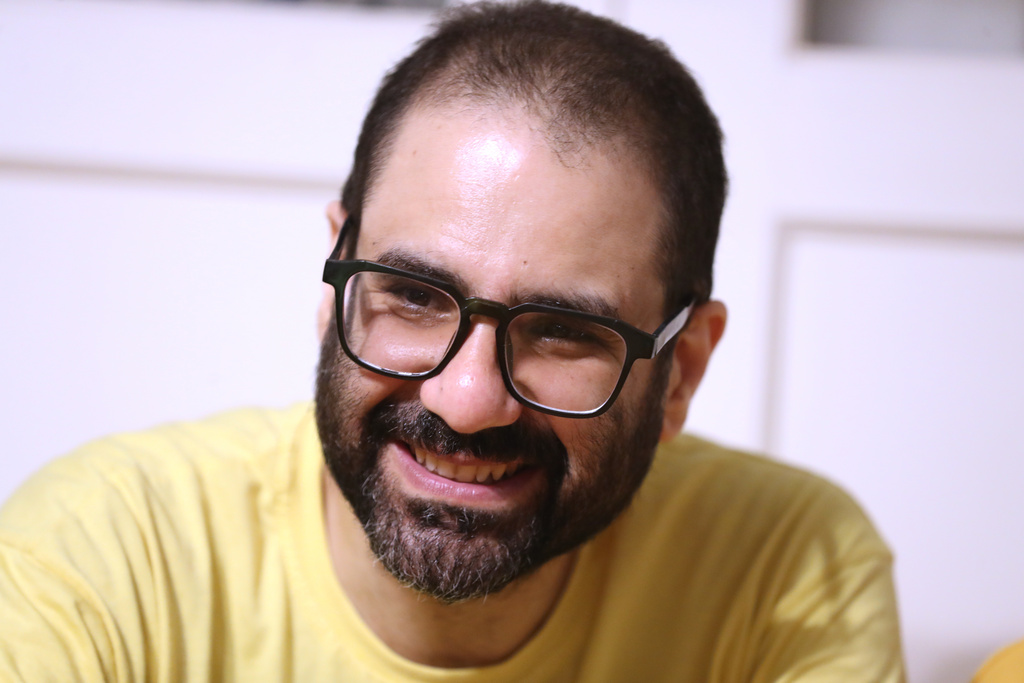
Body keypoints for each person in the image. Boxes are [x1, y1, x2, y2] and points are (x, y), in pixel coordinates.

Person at [0, 1, 904, 680]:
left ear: (682, 373)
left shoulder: (786, 570)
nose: (466, 399)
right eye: (413, 296)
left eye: (562, 332)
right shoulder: (104, 560)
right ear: (335, 282)